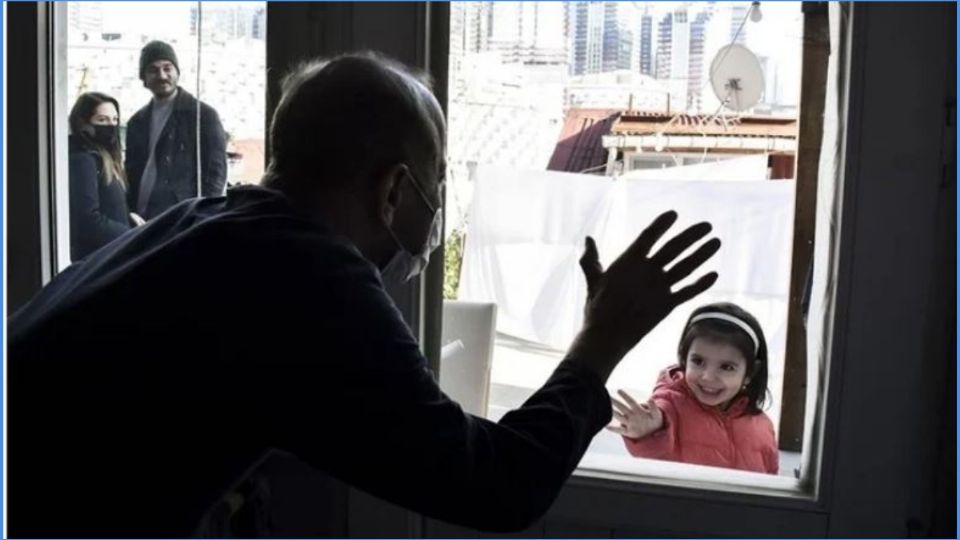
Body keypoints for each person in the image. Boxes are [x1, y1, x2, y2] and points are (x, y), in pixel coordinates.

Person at [8, 53, 721, 537]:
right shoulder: (309, 279)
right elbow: (500, 486)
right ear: (393, 189)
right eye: (436, 182)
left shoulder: (204, 220)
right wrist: (602, 338)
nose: (437, 208)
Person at [609, 302, 779, 475]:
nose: (707, 377)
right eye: (698, 362)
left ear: (750, 372)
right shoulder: (670, 408)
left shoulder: (763, 425)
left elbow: (771, 483)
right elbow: (656, 457)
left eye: (727, 367)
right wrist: (649, 433)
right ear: (684, 359)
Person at [125, 40, 227, 220]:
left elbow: (216, 173)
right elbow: (131, 172)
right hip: (141, 217)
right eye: (153, 70)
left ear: (177, 72)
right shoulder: (136, 122)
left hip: (182, 217)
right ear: (144, 78)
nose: (162, 75)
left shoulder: (202, 115)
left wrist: (204, 217)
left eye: (167, 68)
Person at [67, 92, 145, 260]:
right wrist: (134, 234)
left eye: (114, 120)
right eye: (102, 120)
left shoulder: (104, 158)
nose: (111, 126)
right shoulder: (83, 159)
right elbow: (88, 220)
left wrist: (127, 216)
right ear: (83, 123)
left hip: (110, 254)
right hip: (98, 259)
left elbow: (107, 203)